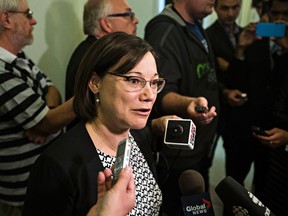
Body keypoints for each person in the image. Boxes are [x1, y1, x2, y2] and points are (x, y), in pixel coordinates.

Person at [23, 32, 165, 216]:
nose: (149, 95)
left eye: (154, 83)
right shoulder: (56, 165)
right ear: (95, 83)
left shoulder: (138, 136)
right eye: (134, 80)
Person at [0, 0, 76, 214]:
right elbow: (48, 123)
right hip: (21, 200)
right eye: (28, 14)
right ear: (7, 19)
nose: (33, 20)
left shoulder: (19, 57)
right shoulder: (1, 72)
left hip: (39, 187)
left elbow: (51, 88)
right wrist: (92, 94)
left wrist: (47, 114)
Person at [144, 0, 219, 215]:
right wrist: (188, 104)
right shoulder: (164, 31)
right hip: (180, 155)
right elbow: (159, 93)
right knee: (190, 210)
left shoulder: (195, 25)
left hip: (199, 147)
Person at [206, 0, 256, 186]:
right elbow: (207, 76)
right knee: (206, 160)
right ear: (215, 8)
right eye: (225, 8)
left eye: (235, 7)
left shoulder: (247, 33)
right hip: (216, 106)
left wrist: (229, 65)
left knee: (237, 165)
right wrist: (225, 90)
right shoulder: (208, 35)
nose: (231, 13)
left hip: (241, 112)